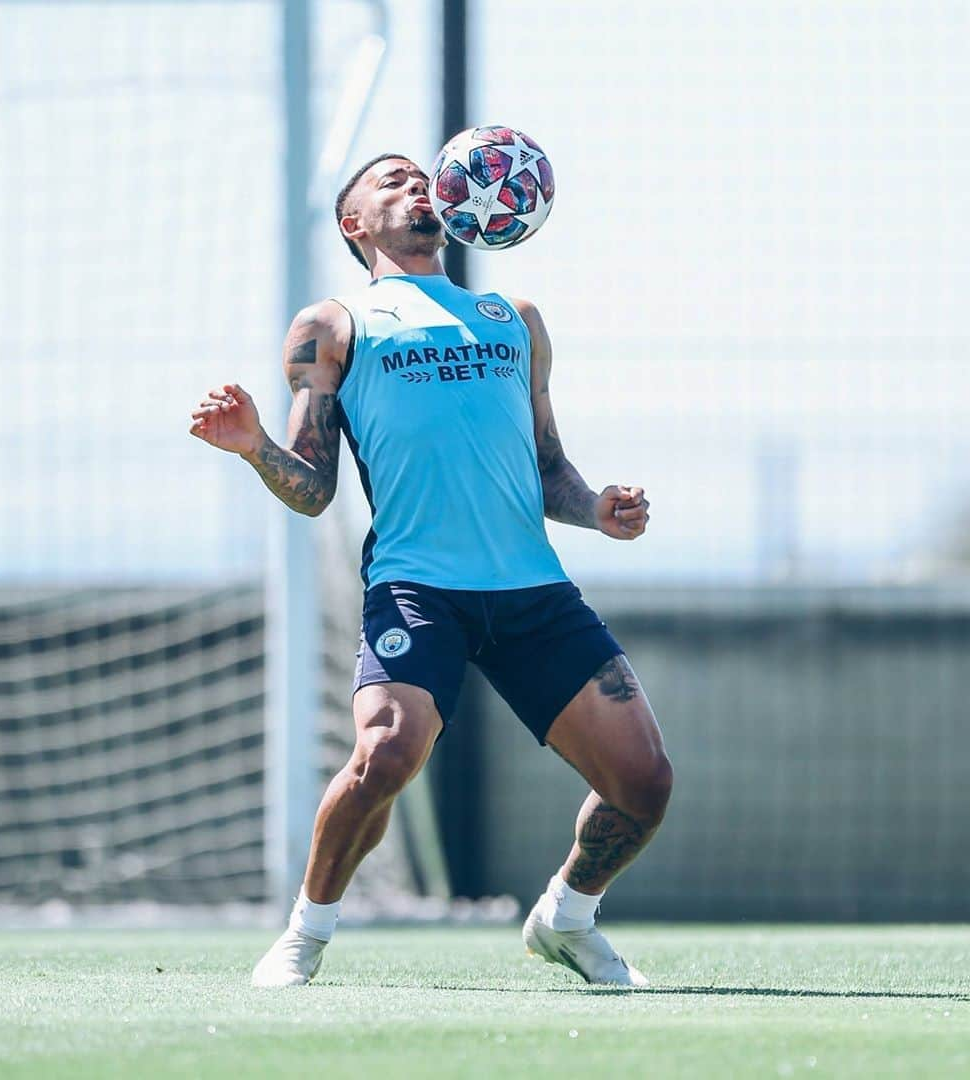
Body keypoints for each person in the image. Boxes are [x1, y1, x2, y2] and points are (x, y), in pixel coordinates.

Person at [190, 152, 673, 988]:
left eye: (423, 176)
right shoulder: (332, 326)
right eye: (392, 181)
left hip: (532, 591)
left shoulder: (512, 316)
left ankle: (566, 916)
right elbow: (311, 489)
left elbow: (547, 467)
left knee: (645, 784)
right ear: (354, 224)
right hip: (418, 588)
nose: (419, 185)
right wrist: (256, 445)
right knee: (384, 753)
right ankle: (305, 934)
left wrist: (596, 508)